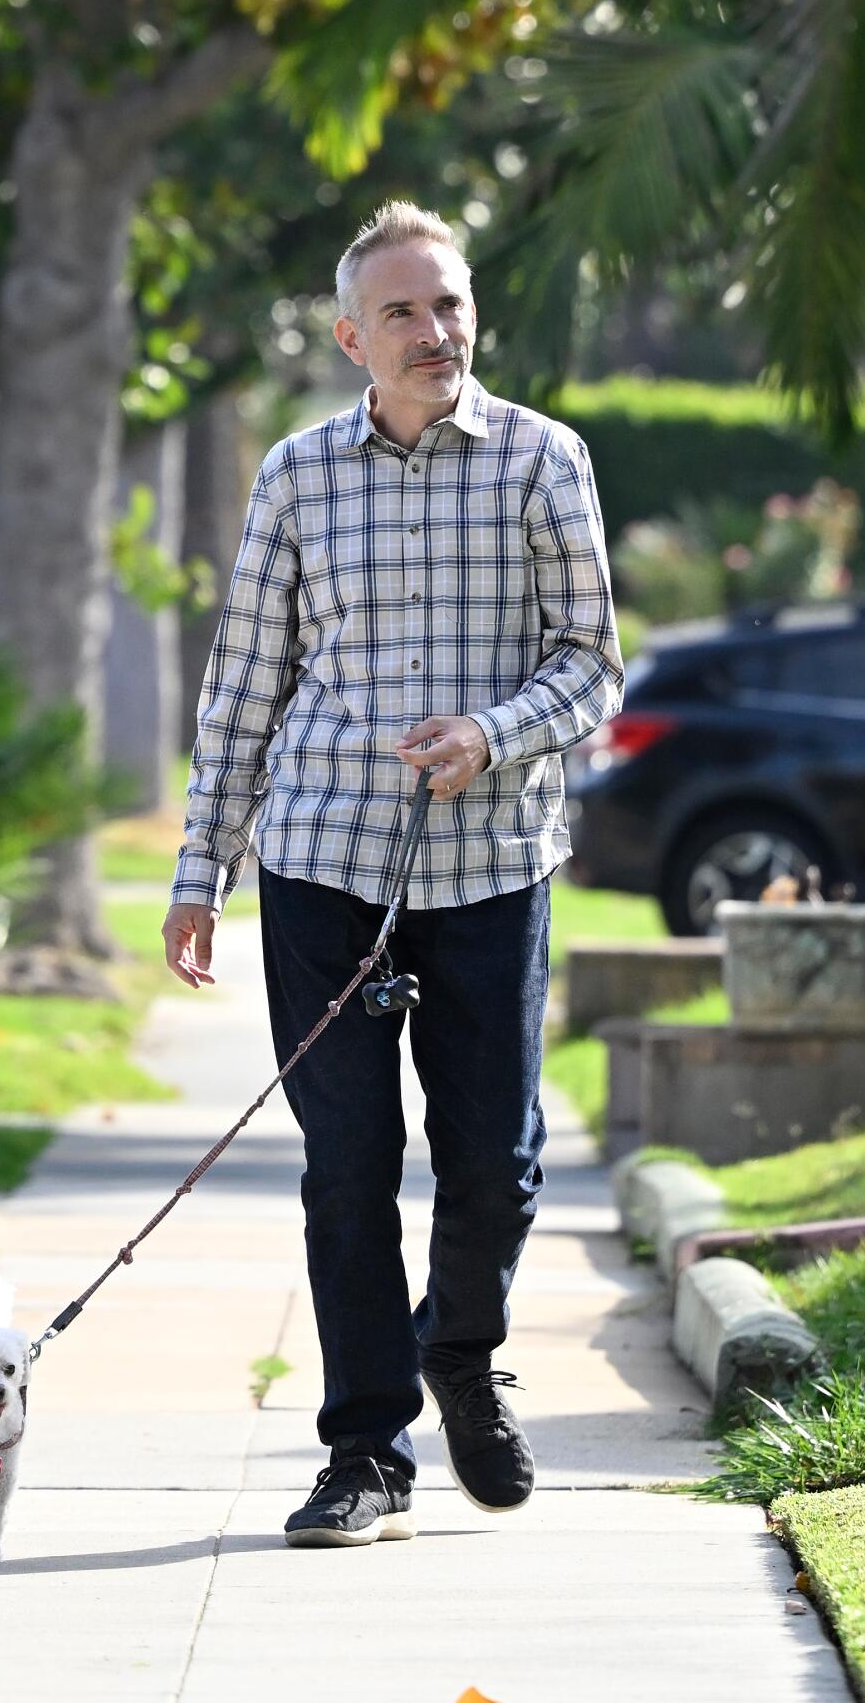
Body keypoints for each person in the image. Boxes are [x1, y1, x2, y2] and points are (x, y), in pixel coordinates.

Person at [163, 201, 621, 1550]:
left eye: (453, 304)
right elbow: (246, 680)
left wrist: (491, 733)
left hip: (490, 864)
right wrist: (203, 868)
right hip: (325, 863)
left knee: (496, 1159)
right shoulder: (299, 475)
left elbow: (593, 661)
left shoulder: (546, 459)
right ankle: (365, 1448)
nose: (437, 331)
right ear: (353, 336)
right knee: (349, 1162)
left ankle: (460, 1352)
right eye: (407, 312)